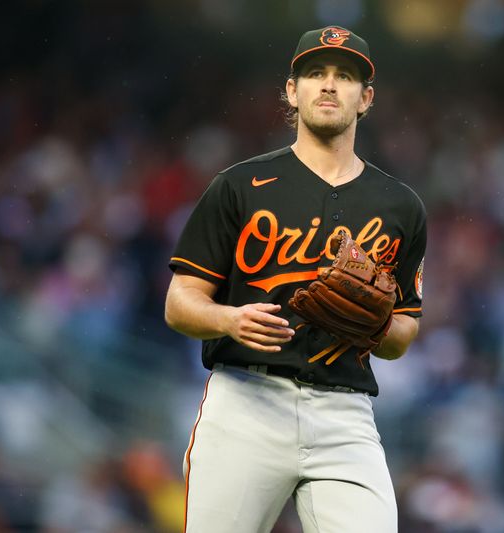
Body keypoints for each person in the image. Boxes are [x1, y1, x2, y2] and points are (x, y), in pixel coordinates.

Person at [165, 25, 427, 533]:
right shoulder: (239, 186)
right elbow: (179, 302)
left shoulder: (401, 206)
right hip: (245, 402)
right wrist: (227, 318)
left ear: (365, 98)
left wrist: (373, 327)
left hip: (344, 413)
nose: (329, 85)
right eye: (315, 73)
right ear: (292, 90)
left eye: (345, 76)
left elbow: (403, 333)